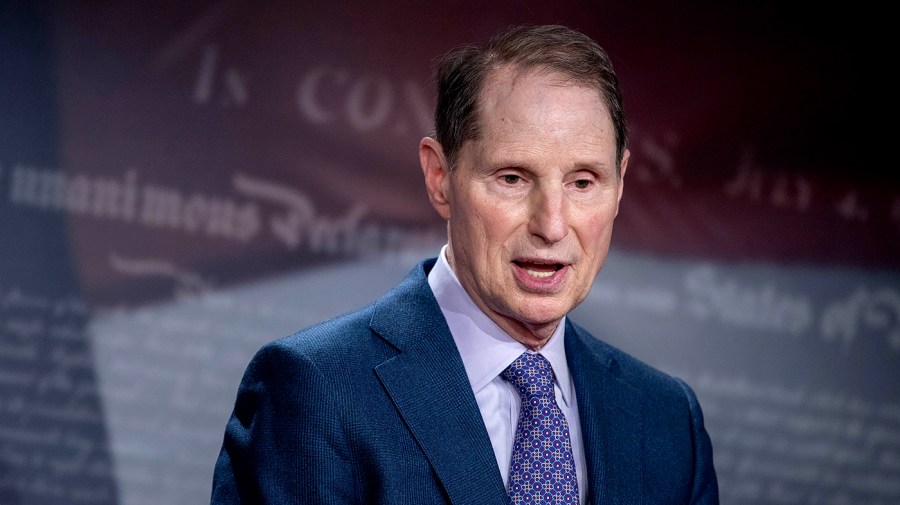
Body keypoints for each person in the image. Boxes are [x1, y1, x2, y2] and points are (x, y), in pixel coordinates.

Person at [210, 24, 718, 504]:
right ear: (439, 177)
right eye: (513, 178)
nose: (553, 225)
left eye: (583, 182)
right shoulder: (315, 391)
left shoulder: (668, 421)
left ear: (621, 182)